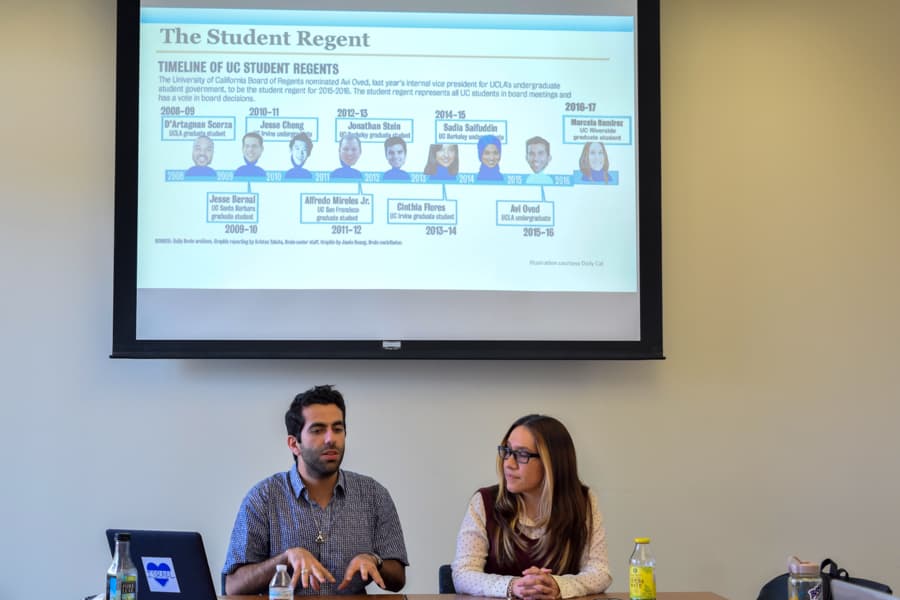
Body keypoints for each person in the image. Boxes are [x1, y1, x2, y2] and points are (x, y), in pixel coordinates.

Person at [222, 385, 408, 596]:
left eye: (337, 429)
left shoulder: (373, 495)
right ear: (294, 444)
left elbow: (398, 579)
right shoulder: (264, 497)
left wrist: (374, 560)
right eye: (318, 430)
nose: (331, 439)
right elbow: (233, 586)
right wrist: (285, 559)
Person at [451, 414, 611, 600]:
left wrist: (558, 585)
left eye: (522, 454)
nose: (508, 464)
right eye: (507, 451)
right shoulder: (484, 502)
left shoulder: (583, 501)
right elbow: (462, 574)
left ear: (551, 462)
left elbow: (600, 572)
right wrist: (513, 586)